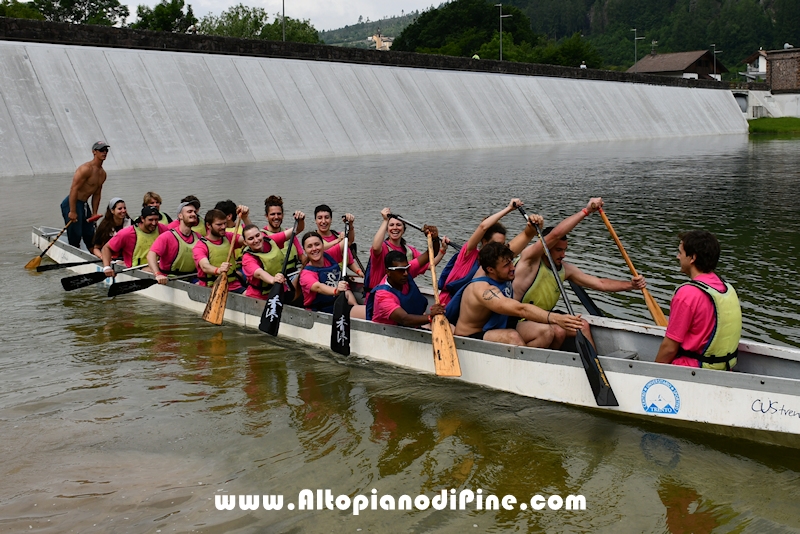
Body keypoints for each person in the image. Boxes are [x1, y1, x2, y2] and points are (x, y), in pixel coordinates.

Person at [513, 198, 646, 349]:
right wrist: (586, 211)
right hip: (518, 320)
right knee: (556, 331)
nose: (563, 255)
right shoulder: (530, 260)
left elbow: (600, 284)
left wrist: (630, 285)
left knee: (582, 325)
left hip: (545, 318)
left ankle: (594, 364)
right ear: (546, 247)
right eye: (558, 250)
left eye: (565, 250)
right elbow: (556, 234)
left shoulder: (565, 269)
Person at [453, 242, 583, 346]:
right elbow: (520, 309)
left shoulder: (502, 275)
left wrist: (533, 227)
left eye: (511, 262)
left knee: (546, 332)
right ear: (490, 270)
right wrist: (556, 318)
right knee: (512, 337)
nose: (513, 268)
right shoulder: (484, 291)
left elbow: (526, 236)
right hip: (470, 337)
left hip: (496, 326)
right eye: (506, 265)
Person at [655, 230, 741, 370]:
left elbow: (669, 349)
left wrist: (652, 373)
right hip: (723, 368)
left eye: (680, 253)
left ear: (692, 258)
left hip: (691, 371)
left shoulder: (687, 294)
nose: (678, 257)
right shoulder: (727, 288)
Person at [438, 198, 538, 307]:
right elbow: (483, 227)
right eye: (496, 243)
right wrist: (509, 209)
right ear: (484, 241)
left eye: (502, 244)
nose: (500, 248)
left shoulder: (499, 258)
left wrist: (534, 224)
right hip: (447, 306)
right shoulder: (468, 254)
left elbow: (527, 235)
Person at [364, 207, 448, 297]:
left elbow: (430, 263)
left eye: (398, 225)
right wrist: (385, 220)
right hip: (378, 297)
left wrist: (441, 249)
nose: (395, 228)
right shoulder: (382, 247)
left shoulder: (409, 251)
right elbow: (376, 248)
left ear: (404, 229)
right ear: (386, 230)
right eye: (391, 225)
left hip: (400, 297)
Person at [366, 234, 445, 327]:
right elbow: (404, 319)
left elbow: (431, 253)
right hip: (389, 333)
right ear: (388, 272)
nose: (406, 273)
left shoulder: (405, 270)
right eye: (400, 270)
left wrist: (434, 238)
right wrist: (430, 316)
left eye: (407, 268)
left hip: (411, 325)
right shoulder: (383, 296)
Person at [241, 212, 305, 300]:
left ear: (262, 234)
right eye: (251, 239)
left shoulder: (271, 241)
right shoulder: (247, 258)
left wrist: (300, 220)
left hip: (280, 290)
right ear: (245, 242)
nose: (256, 240)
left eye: (257, 235)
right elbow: (259, 273)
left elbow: (297, 229)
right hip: (260, 297)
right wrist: (273, 279)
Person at [299, 231, 364, 316]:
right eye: (309, 246)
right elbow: (319, 287)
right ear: (304, 250)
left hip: (339, 305)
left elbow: (348, 241)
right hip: (321, 313)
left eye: (317, 244)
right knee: (367, 313)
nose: (314, 249)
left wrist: (350, 227)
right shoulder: (306, 274)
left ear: (323, 245)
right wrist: (336, 290)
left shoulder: (329, 256)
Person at [60, 141, 109, 249]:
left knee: (89, 233)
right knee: (76, 234)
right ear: (94, 152)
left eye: (106, 150)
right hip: (71, 203)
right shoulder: (86, 169)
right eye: (101, 150)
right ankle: (74, 249)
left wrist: (94, 213)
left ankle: (93, 253)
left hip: (84, 204)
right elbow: (74, 189)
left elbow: (97, 194)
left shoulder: (102, 174)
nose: (104, 152)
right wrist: (72, 211)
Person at [147, 200, 203, 284]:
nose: (194, 214)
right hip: (170, 279)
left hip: (192, 277)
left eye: (195, 212)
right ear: (180, 216)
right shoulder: (167, 236)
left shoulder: (199, 237)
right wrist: (157, 274)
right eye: (189, 212)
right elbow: (151, 255)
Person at [101, 206, 169, 275]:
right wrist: (107, 267)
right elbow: (106, 248)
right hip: (134, 270)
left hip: (156, 268)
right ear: (142, 219)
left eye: (156, 220)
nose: (154, 223)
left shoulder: (163, 229)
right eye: (150, 220)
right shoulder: (126, 233)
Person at [193, 209, 248, 294]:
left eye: (224, 223)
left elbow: (250, 239)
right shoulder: (200, 246)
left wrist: (245, 218)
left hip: (234, 286)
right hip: (211, 288)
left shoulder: (229, 237)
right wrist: (218, 270)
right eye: (219, 224)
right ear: (208, 225)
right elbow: (205, 266)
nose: (223, 227)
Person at [313, 204, 362, 277]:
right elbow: (323, 247)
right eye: (320, 218)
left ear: (331, 220)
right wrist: (338, 240)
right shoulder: (312, 238)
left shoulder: (338, 236)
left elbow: (349, 261)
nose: (323, 221)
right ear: (315, 221)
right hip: (322, 278)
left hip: (340, 277)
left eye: (327, 218)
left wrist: (359, 272)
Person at [263, 195, 304, 273]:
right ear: (266, 216)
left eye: (279, 214)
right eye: (272, 214)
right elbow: (299, 228)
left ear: (283, 215)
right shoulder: (262, 236)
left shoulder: (290, 234)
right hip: (275, 277)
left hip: (293, 274)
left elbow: (302, 257)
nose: (276, 217)